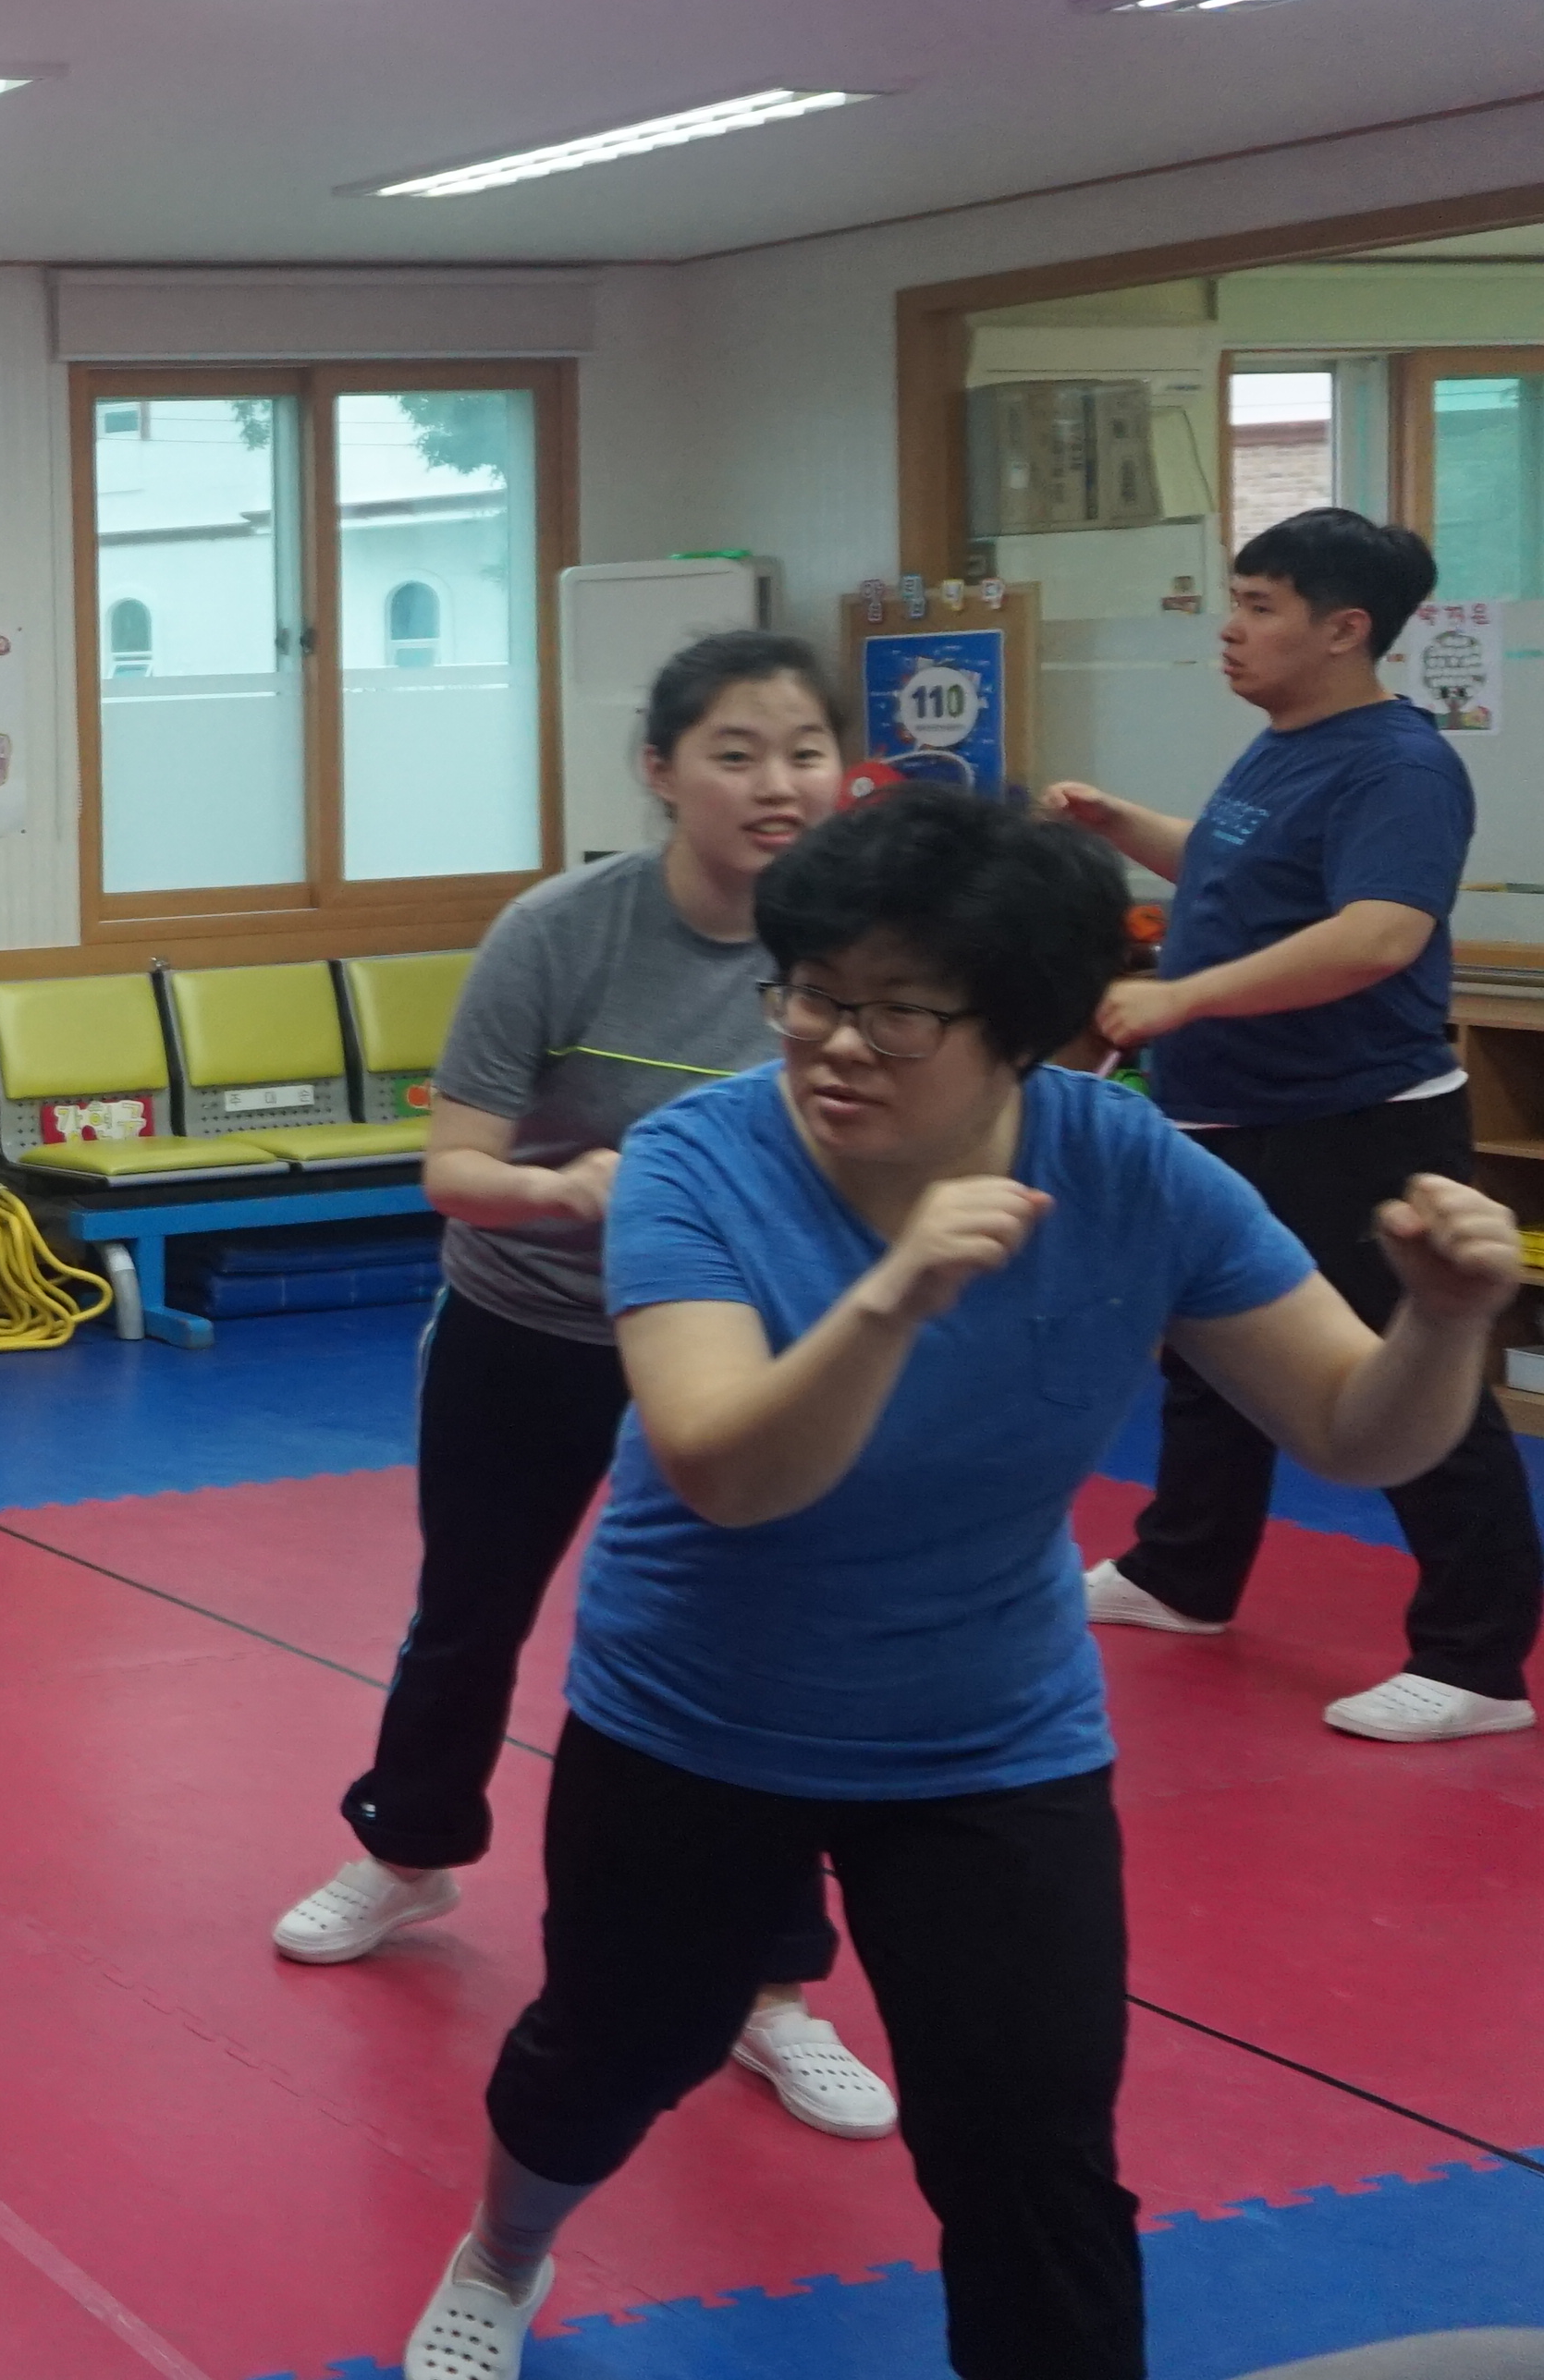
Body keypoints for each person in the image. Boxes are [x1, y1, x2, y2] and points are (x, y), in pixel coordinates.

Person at [391, 783, 1513, 2380]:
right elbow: (723, 1466)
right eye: (810, 994)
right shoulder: (697, 1159)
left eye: (898, 1013)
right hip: (697, 1716)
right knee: (607, 2057)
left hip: (990, 1732)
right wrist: (891, 1295)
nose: (834, 1043)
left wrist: (1444, 1324)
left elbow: (1352, 1429)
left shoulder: (1130, 1165)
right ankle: (503, 2251)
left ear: (1030, 1032)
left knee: (1032, 2152)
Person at [272, 633, 897, 2144]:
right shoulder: (561, 930)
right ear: (660, 770)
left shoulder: (865, 939)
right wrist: (574, 1190)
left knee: (767, 1640)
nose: (776, 782)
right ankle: (409, 1848)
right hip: (534, 1321)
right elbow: (454, 1167)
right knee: (470, 1607)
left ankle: (774, 1983)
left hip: (749, 1343)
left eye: (804, 750)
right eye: (736, 752)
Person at [1048, 507, 1542, 1744]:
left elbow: (1377, 933)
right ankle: (1182, 1574)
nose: (1230, 628)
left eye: (1259, 606)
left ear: (1342, 629)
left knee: (1409, 1376)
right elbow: (1236, 871)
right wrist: (1121, 824)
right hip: (1234, 1111)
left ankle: (1477, 1663)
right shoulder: (1284, 746)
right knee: (1213, 1354)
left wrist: (1181, 998)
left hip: (1352, 1122)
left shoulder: (1399, 765)